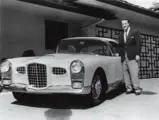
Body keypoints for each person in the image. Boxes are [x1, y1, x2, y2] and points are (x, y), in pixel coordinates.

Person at [118, 19, 142, 95]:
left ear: (128, 24)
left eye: (125, 23)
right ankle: (129, 88)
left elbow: (138, 43)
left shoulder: (135, 32)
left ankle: (137, 88)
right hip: (123, 56)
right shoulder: (121, 34)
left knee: (134, 72)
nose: (124, 25)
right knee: (125, 72)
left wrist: (138, 54)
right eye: (122, 24)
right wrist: (118, 53)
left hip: (132, 55)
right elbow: (120, 46)